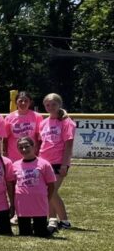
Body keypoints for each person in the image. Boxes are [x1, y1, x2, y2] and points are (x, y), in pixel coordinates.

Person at [39, 92, 76, 230]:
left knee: (52, 191)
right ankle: (52, 220)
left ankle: (65, 221)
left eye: (54, 104)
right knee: (47, 192)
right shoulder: (43, 123)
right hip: (44, 161)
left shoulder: (67, 122)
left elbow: (69, 145)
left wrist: (65, 164)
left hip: (58, 162)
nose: (50, 107)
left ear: (59, 104)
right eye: (47, 105)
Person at [11, 137, 57, 238]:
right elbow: (13, 184)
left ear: (33, 147)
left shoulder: (44, 164)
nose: (24, 149)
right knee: (25, 233)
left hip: (39, 201)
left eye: (27, 146)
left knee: (41, 233)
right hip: (22, 202)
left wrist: (47, 199)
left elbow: (51, 185)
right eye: (21, 147)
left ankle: (52, 227)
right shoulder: (15, 165)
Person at [4, 91, 42, 157]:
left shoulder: (37, 116)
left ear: (30, 102)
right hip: (13, 155)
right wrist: (5, 152)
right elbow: (5, 138)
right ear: (16, 102)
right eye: (20, 101)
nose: (23, 103)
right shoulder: (9, 117)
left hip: (31, 154)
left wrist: (37, 151)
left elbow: (39, 137)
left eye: (26, 101)